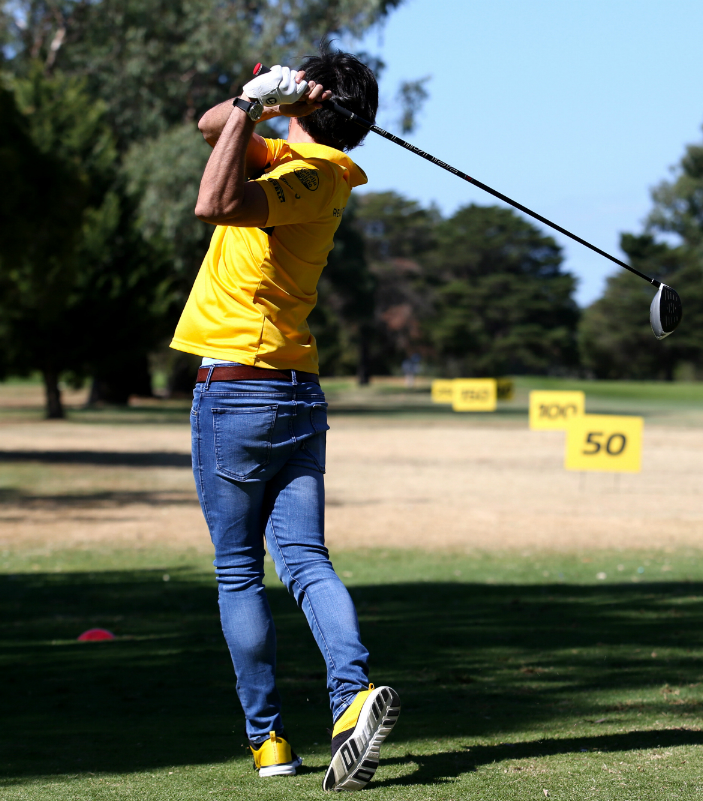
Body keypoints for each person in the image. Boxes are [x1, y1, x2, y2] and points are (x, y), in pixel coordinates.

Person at [169, 46, 399, 791]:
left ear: (315, 97)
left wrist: (250, 108)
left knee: (241, 572)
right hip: (294, 392)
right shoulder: (293, 154)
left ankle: (271, 738)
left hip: (238, 391)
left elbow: (212, 202)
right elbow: (209, 128)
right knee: (304, 560)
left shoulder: (311, 176)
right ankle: (348, 703)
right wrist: (252, 101)